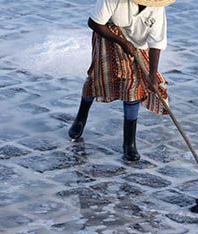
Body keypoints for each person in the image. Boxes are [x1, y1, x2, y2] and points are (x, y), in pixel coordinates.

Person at [69, 0, 175, 162]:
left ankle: (129, 143)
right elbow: (94, 22)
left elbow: (156, 42)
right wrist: (123, 42)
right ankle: (81, 118)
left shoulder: (157, 9)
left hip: (139, 47)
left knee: (134, 86)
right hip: (108, 36)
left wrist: (152, 73)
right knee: (97, 80)